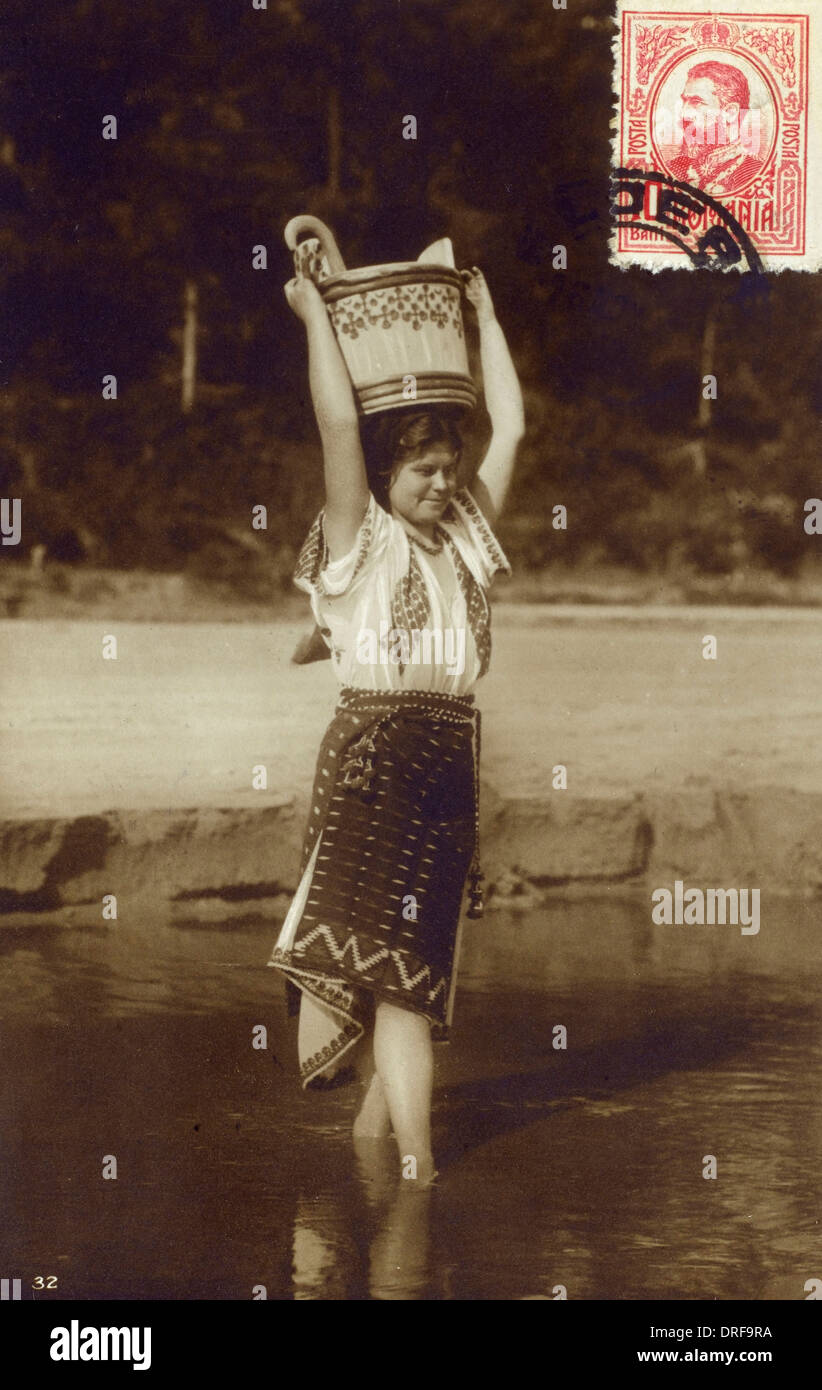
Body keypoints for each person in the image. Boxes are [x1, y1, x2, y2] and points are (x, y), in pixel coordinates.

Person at [268, 262, 524, 1184]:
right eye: (423, 469)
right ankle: (418, 1172)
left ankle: (376, 1166)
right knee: (402, 990)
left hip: (448, 765)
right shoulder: (359, 537)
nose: (443, 481)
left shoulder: (463, 534)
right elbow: (338, 421)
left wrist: (486, 316)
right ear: (386, 474)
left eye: (450, 467)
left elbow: (516, 427)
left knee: (420, 974)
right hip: (376, 765)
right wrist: (312, 318)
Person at [667, 60, 764, 197]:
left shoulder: (756, 174)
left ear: (730, 112)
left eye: (696, 102)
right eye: (685, 101)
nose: (683, 114)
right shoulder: (673, 168)